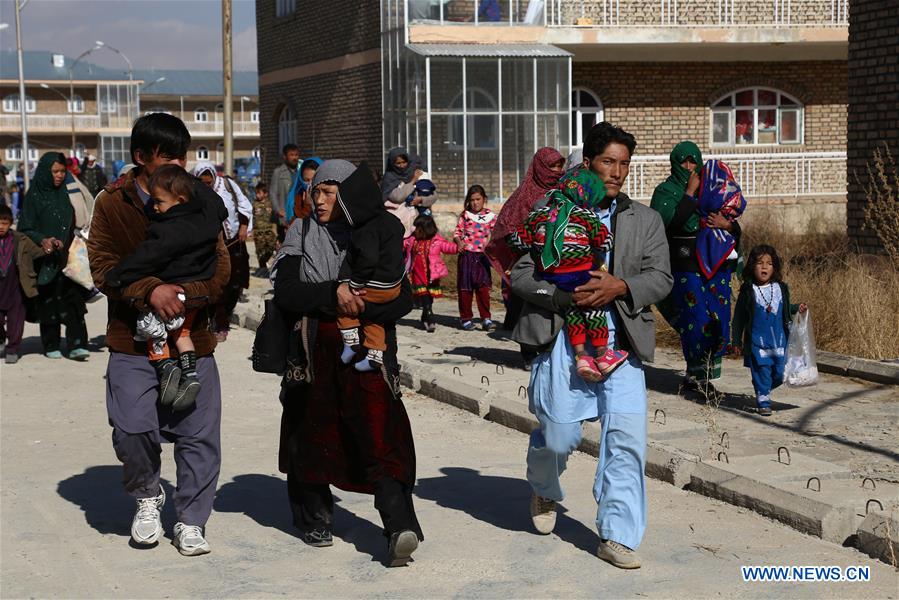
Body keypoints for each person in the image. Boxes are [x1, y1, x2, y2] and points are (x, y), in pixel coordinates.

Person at [510, 122, 672, 569]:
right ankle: (544, 487)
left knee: (626, 443)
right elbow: (520, 273)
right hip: (565, 343)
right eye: (608, 162)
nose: (617, 173)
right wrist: (563, 296)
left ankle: (618, 536)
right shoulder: (551, 209)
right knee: (560, 436)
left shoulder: (646, 219)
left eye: (624, 164)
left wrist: (621, 286)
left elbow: (661, 277)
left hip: (621, 349)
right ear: (588, 164)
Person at [87, 112, 230, 556]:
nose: (177, 164)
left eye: (181, 155)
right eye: (167, 155)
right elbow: (102, 269)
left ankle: (191, 520)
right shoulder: (113, 204)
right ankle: (148, 494)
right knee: (131, 428)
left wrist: (185, 294)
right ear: (141, 158)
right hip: (131, 338)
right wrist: (151, 291)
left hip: (193, 336)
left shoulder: (200, 198)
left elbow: (222, 266)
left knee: (198, 434)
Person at [272, 159, 423, 566]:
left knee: (380, 432)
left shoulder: (372, 232)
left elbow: (404, 297)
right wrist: (333, 294)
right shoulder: (300, 233)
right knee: (311, 431)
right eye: (315, 191)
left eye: (328, 191)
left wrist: (370, 301)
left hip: (365, 356)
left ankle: (398, 525)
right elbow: (286, 291)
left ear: (348, 196)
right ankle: (315, 517)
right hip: (313, 355)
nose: (318, 199)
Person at [103, 164, 227, 411]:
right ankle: (190, 374)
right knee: (182, 334)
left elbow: (147, 257)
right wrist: (196, 186)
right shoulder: (208, 214)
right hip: (193, 291)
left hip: (169, 290)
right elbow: (219, 204)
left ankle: (166, 367)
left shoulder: (171, 228)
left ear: (179, 200)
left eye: (159, 201)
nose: (155, 206)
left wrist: (118, 275)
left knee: (153, 332)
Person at [510, 167, 628, 382]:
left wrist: (539, 247)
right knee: (593, 309)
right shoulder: (584, 215)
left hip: (553, 277)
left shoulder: (540, 214)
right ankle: (602, 355)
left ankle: (582, 356)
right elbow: (605, 241)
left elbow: (517, 240)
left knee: (573, 312)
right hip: (580, 274)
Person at [650, 141, 742, 401]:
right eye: (684, 162)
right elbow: (668, 224)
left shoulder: (713, 189)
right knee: (696, 320)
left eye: (694, 161)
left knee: (718, 319)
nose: (690, 167)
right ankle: (697, 378)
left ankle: (705, 375)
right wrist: (689, 195)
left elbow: (735, 228)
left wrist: (727, 225)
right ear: (675, 163)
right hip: (685, 266)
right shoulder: (666, 192)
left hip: (715, 268)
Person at [16, 152, 90, 360]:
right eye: (55, 171)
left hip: (69, 258)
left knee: (74, 302)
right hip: (45, 259)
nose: (59, 176)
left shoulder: (69, 192)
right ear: (45, 172)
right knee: (48, 302)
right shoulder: (35, 196)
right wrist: (43, 239)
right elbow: (25, 227)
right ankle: (51, 344)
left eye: (62, 171)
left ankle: (77, 344)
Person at [335, 162, 407, 372]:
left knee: (344, 302)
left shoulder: (365, 229)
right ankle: (374, 353)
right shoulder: (390, 221)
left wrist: (355, 283)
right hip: (394, 285)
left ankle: (350, 341)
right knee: (373, 318)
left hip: (374, 285)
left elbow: (367, 258)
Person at [486, 147, 565, 332]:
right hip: (528, 259)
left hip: (558, 257)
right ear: (540, 167)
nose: (557, 171)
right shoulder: (524, 194)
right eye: (552, 166)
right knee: (526, 305)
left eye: (560, 166)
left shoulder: (563, 190)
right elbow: (508, 224)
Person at [731, 245, 807, 417]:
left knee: (782, 372)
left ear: (775, 267)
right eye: (760, 263)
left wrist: (797, 308)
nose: (764, 267)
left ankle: (761, 386)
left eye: (769, 263)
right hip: (757, 342)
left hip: (779, 341)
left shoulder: (781, 289)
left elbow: (785, 309)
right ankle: (763, 399)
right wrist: (736, 340)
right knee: (762, 369)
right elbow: (739, 318)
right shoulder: (748, 291)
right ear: (752, 266)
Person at [193, 161, 253, 343]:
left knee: (233, 283)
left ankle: (223, 317)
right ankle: (217, 322)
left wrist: (244, 226)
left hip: (233, 243)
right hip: (208, 245)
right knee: (215, 284)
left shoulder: (227, 185)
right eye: (201, 182)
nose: (206, 185)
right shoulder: (192, 191)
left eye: (208, 181)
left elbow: (244, 204)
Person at [0, 204, 43, 364]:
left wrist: (49, 247)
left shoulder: (20, 239)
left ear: (10, 222)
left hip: (16, 288)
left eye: (4, 223)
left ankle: (12, 348)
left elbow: (37, 252)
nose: (1, 227)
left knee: (15, 321)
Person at [453, 185, 497, 331]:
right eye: (472, 200)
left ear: (484, 199)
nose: (475, 203)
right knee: (465, 288)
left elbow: (497, 234)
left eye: (478, 199)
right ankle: (465, 318)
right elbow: (457, 234)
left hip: (482, 257)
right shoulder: (465, 215)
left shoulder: (490, 216)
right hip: (467, 256)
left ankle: (486, 318)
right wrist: (459, 243)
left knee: (483, 288)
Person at [403, 214, 458, 332]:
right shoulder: (412, 240)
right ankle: (431, 319)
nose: (414, 230)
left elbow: (448, 247)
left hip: (433, 276)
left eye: (417, 228)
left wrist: (459, 247)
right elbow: (402, 245)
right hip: (417, 275)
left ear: (424, 229)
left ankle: (425, 319)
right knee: (425, 299)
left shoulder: (436, 241)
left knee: (429, 299)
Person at [382, 147, 437, 238]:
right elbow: (397, 197)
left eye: (404, 162)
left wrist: (421, 200)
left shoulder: (416, 172)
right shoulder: (389, 178)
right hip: (400, 222)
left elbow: (434, 195)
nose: (402, 165)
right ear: (392, 163)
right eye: (398, 163)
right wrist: (412, 181)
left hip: (419, 222)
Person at [269, 143, 300, 242]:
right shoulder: (278, 172)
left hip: (299, 214)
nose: (294, 158)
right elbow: (273, 193)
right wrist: (278, 210)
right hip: (284, 215)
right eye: (292, 155)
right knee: (285, 242)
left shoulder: (301, 171)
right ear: (285, 156)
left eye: (296, 155)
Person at [251, 182, 278, 277]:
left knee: (270, 248)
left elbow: (275, 216)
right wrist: (250, 230)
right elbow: (251, 217)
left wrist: (275, 229)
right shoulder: (254, 204)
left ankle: (266, 262)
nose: (257, 195)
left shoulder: (270, 203)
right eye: (256, 193)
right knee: (260, 250)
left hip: (269, 231)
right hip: (258, 232)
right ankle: (262, 268)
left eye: (259, 193)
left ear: (265, 194)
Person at [285, 157, 322, 223]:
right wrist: (307, 206)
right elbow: (297, 224)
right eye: (306, 180)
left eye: (314, 179)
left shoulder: (329, 196)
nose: (310, 184)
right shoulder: (297, 197)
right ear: (301, 179)